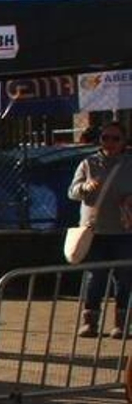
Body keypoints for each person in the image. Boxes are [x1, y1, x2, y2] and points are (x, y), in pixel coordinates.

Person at [67, 120, 132, 337]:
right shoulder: (89, 163)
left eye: (115, 138)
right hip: (95, 231)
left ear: (124, 142)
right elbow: (72, 192)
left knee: (124, 277)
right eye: (105, 138)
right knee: (95, 277)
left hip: (124, 231)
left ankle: (122, 323)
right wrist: (85, 187)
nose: (110, 143)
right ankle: (90, 321)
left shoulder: (129, 164)